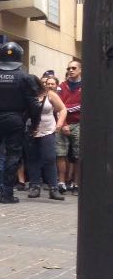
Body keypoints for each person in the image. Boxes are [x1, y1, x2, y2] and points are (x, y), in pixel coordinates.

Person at [0, 42, 38, 204]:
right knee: (13, 155)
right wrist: (34, 124)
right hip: (15, 120)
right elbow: (34, 105)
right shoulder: (25, 77)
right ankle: (7, 194)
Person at [27, 75, 66, 200]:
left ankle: (54, 188)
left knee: (49, 158)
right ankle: (34, 186)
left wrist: (59, 124)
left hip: (48, 130)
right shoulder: (26, 95)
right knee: (32, 159)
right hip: (31, 131)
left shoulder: (50, 95)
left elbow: (63, 109)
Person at [56, 59, 82, 195]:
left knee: (78, 155)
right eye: (68, 68)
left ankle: (76, 183)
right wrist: (64, 123)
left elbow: (83, 106)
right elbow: (57, 106)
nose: (70, 70)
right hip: (62, 123)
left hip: (78, 124)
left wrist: (65, 108)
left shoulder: (85, 86)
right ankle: (61, 182)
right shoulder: (61, 86)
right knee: (60, 153)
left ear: (80, 70)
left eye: (73, 68)